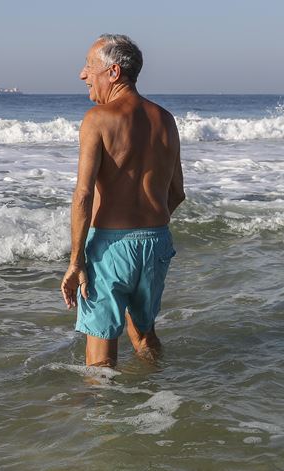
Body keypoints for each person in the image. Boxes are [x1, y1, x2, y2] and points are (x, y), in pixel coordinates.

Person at [60, 35, 185, 368]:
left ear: (113, 72)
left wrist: (76, 261)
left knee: (100, 357)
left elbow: (83, 194)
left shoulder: (97, 119)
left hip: (110, 248)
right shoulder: (165, 119)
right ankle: (158, 403)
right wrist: (147, 227)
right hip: (156, 242)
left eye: (89, 66)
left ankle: (104, 418)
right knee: (144, 334)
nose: (82, 75)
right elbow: (177, 192)